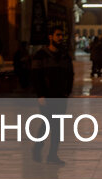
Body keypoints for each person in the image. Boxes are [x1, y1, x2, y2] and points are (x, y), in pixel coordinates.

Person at [30, 26, 74, 166]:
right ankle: (38, 148)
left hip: (61, 96)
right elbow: (36, 77)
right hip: (47, 97)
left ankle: (52, 154)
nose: (60, 38)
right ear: (50, 37)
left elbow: (70, 74)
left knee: (58, 126)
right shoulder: (40, 55)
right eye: (58, 35)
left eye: (62, 35)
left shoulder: (64, 55)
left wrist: (67, 90)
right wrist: (40, 94)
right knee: (47, 123)